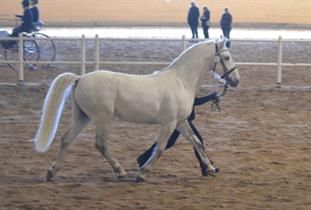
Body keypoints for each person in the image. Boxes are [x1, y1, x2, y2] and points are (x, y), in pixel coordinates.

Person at [137, 92, 220, 176]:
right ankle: (205, 167)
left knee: (169, 142)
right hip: (182, 119)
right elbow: (195, 101)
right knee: (197, 141)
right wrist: (210, 97)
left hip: (182, 118)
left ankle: (143, 158)